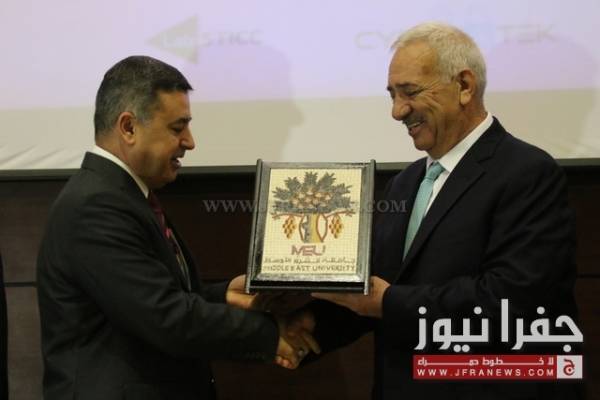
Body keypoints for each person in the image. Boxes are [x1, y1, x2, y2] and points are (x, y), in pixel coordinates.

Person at [286, 22, 581, 399]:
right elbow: (379, 290)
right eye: (392, 94)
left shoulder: (528, 172)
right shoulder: (405, 183)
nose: (397, 111)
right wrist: (310, 326)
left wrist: (387, 302)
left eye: (410, 92)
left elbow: (512, 300)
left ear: (465, 86)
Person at [36, 55, 316, 400]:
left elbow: (156, 298)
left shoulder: (121, 196)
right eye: (176, 128)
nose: (190, 141)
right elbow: (166, 318)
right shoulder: (95, 206)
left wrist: (226, 295)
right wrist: (270, 334)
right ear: (128, 127)